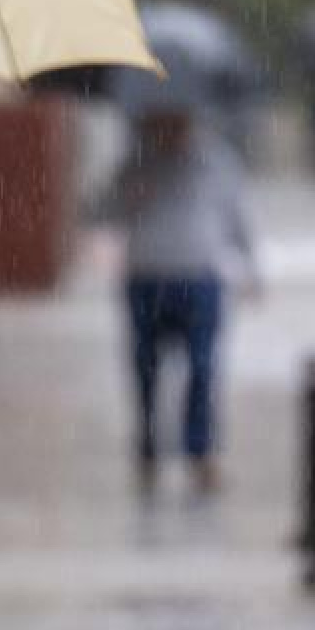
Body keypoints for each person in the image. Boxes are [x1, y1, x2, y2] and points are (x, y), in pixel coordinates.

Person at [101, 102, 257, 492]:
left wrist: (251, 266)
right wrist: (136, 190)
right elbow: (103, 209)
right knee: (145, 369)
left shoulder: (216, 160)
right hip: (147, 276)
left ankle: (199, 452)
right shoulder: (136, 160)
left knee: (202, 368)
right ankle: (148, 449)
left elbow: (237, 214)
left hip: (199, 276)